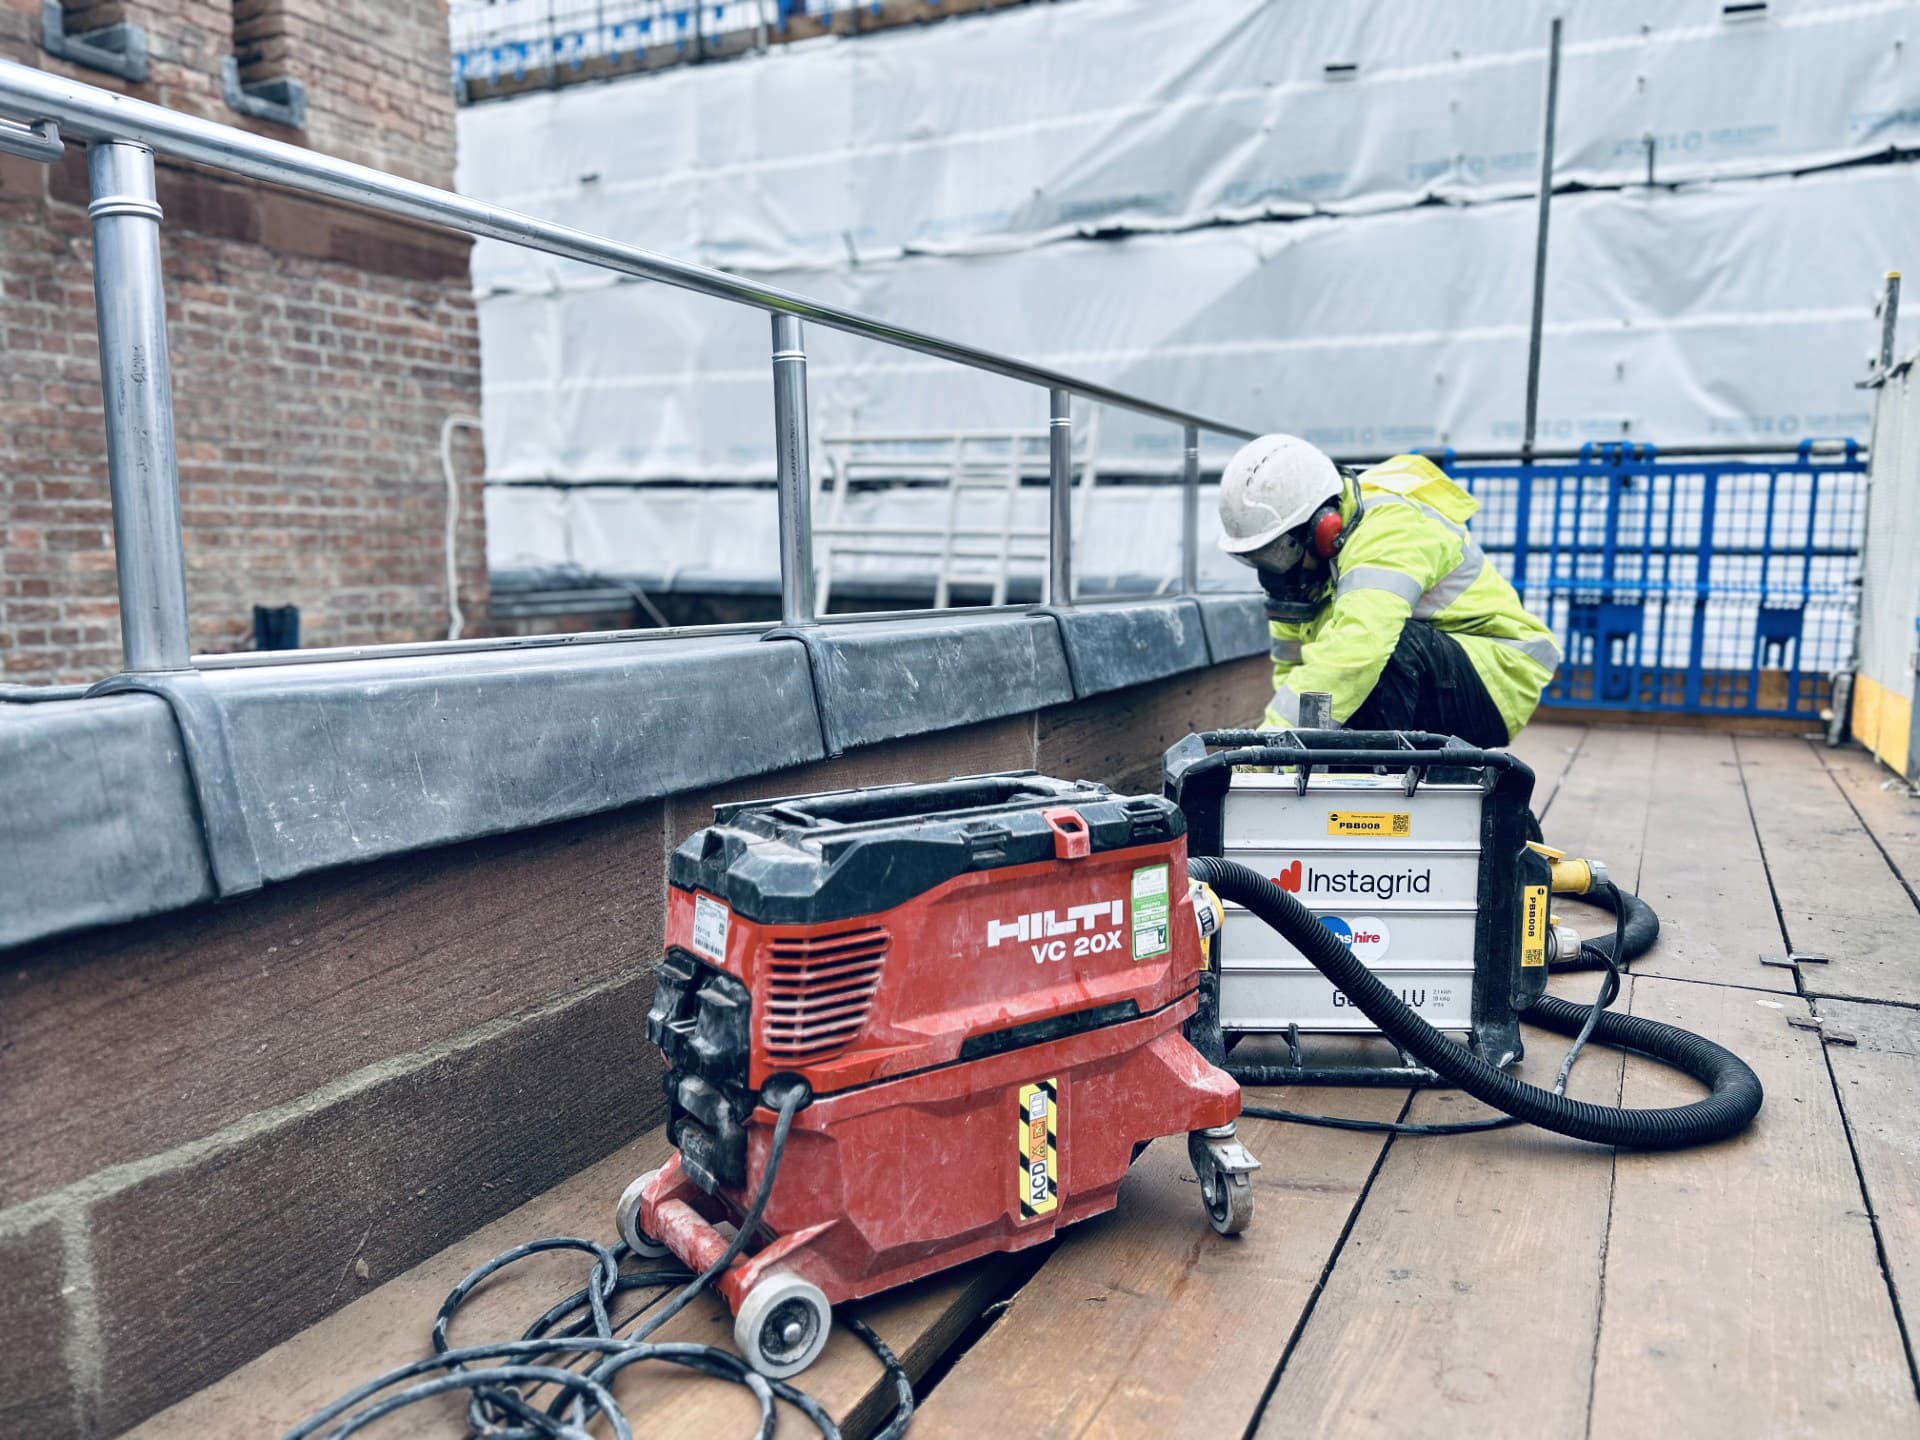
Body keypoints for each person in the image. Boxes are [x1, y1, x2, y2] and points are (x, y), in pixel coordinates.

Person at [1217, 434, 1559, 746]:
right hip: (1429, 677)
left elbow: (1359, 650)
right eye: (1260, 556)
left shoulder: (1389, 528)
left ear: (1323, 525)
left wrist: (1270, 750)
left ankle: (1378, 800)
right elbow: (1296, 671)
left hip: (1497, 679)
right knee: (1337, 696)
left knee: (1385, 653)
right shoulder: (1298, 579)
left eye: (1278, 552)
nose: (1275, 570)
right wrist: (1291, 759)